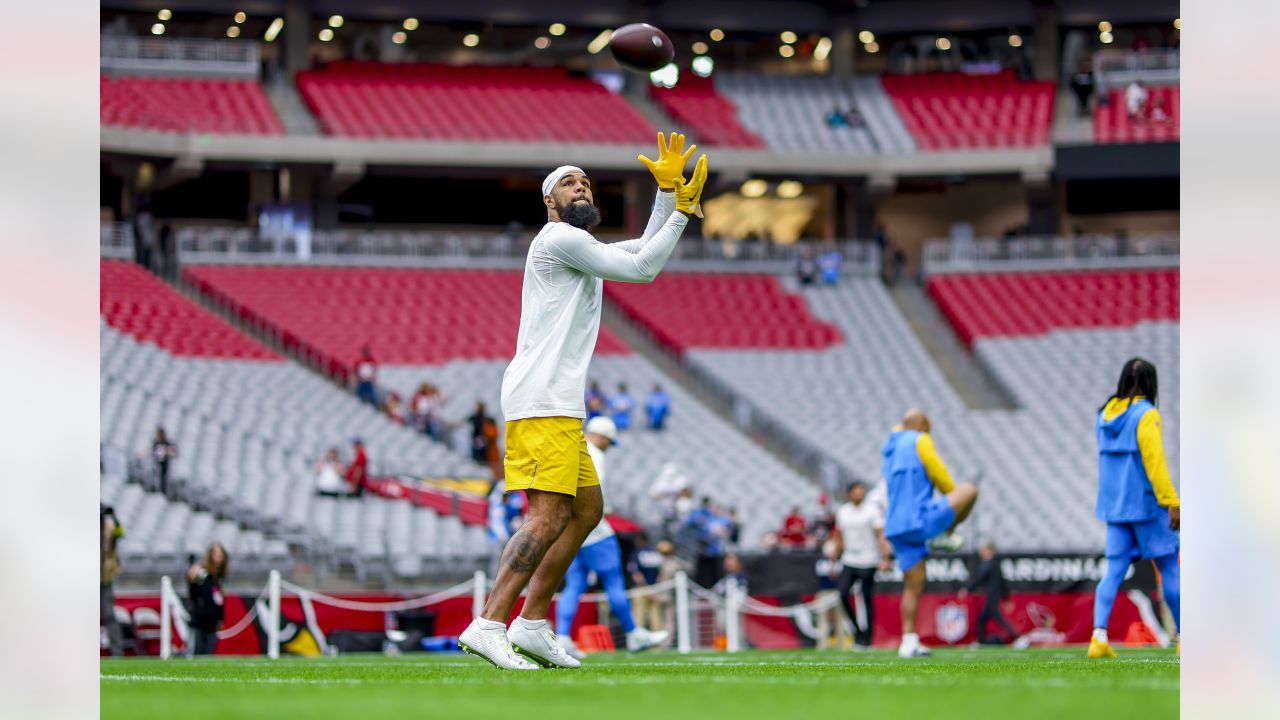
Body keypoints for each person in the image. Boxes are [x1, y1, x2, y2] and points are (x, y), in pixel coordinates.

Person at [458, 132, 709, 671]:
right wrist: (682, 212)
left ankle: (531, 624)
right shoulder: (557, 239)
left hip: (557, 400)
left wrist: (666, 192)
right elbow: (643, 268)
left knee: (588, 510)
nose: (580, 189)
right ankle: (490, 623)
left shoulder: (580, 249)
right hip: (539, 397)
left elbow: (642, 251)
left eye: (586, 182)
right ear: (549, 201)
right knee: (548, 516)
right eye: (569, 184)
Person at [555, 416, 669, 658]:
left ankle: (563, 637)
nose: (609, 445)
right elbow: (591, 495)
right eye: (608, 440)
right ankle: (633, 633)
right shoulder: (594, 455)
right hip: (593, 527)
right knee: (614, 580)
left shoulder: (573, 451)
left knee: (575, 584)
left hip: (570, 527)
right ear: (602, 436)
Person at [1088, 358, 1180, 659]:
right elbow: (1155, 462)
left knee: (1113, 570)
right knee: (1169, 569)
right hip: (1145, 505)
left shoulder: (1103, 415)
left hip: (1114, 507)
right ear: (1149, 383)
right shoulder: (1146, 414)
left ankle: (1098, 637)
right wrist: (1171, 502)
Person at [882, 409, 979, 658]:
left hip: (895, 526)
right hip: (919, 519)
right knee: (968, 491)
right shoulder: (920, 439)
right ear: (922, 424)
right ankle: (945, 535)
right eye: (928, 424)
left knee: (913, 586)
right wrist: (952, 502)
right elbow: (939, 473)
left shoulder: (890, 447)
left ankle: (909, 641)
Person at [832, 481, 891, 650]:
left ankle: (867, 638)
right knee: (842, 594)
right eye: (856, 491)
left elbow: (880, 536)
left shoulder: (872, 511)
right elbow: (840, 537)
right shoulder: (843, 512)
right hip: (849, 559)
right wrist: (834, 558)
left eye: (861, 491)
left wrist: (885, 557)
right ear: (849, 493)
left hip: (869, 559)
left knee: (866, 599)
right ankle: (858, 631)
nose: (859, 494)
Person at [959, 542, 1020, 645]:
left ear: (990, 551)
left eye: (984, 550)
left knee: (997, 618)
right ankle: (981, 641)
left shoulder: (988, 564)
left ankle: (1018, 637)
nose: (981, 552)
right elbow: (1002, 582)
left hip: (992, 596)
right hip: (993, 596)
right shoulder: (996, 564)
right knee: (982, 618)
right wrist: (1006, 597)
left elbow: (979, 578)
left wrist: (967, 589)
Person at [187, 542, 229, 656]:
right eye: (216, 555)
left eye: (221, 555)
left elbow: (219, 601)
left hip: (212, 621)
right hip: (199, 619)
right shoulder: (203, 573)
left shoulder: (219, 577)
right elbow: (193, 588)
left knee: (209, 652)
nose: (219, 558)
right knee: (197, 650)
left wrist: (220, 619)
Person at [814, 539, 850, 650]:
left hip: (837, 593)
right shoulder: (821, 562)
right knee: (822, 619)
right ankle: (822, 644)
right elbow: (828, 575)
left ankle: (842, 644)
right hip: (824, 593)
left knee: (841, 619)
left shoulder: (842, 562)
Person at [101, 505, 126, 657]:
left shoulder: (109, 527)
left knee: (109, 615)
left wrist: (113, 516)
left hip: (105, 578)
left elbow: (121, 532)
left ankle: (117, 652)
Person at [627, 533, 665, 633]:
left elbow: (636, 575)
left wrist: (646, 589)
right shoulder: (657, 553)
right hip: (655, 589)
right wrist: (653, 589)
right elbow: (661, 574)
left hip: (641, 589)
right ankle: (657, 645)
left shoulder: (637, 553)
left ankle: (639, 640)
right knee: (656, 618)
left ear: (640, 541)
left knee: (639, 618)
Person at [151, 427, 177, 497]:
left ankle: (163, 493)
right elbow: (154, 453)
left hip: (165, 464)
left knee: (164, 479)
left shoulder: (167, 443)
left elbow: (173, 453)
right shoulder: (156, 443)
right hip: (157, 464)